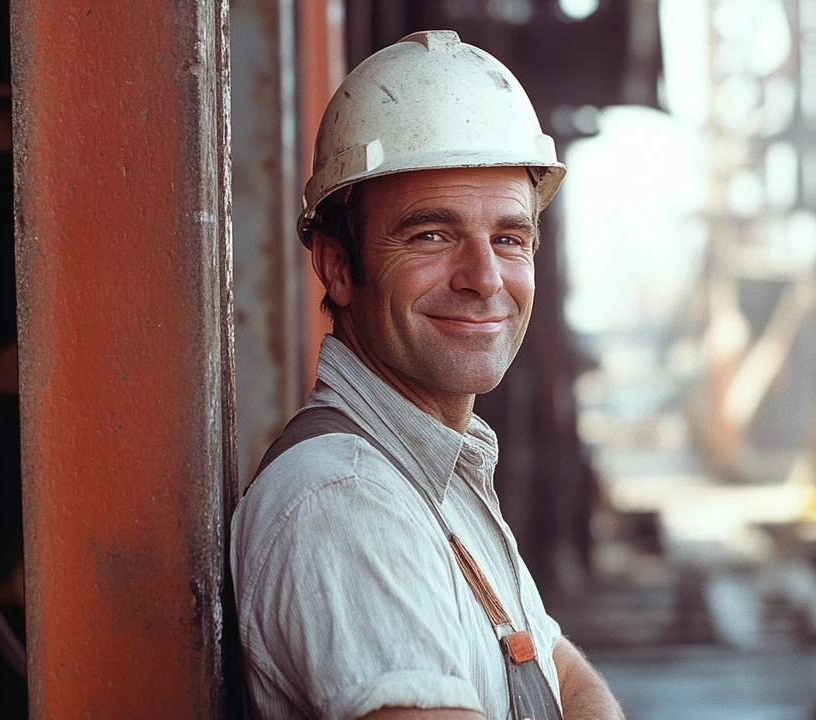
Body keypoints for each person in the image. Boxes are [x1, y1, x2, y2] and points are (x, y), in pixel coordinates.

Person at [231, 30, 625, 720]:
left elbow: (563, 679)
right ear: (338, 266)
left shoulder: (434, 473)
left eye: (509, 238)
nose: (484, 279)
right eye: (431, 235)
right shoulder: (348, 501)